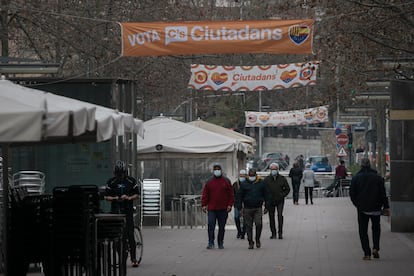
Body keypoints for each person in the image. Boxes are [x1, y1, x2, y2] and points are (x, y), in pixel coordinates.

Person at [349, 158, 390, 260]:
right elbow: (383, 194)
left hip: (362, 208)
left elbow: (352, 193)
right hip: (376, 208)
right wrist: (386, 206)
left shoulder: (356, 178)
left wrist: (357, 204)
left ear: (361, 165)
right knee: (376, 229)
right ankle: (375, 248)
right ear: (370, 165)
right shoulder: (377, 178)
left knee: (363, 231)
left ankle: (367, 253)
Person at [105, 160, 140, 267]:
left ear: (125, 172)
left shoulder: (131, 181)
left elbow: (136, 195)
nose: (120, 176)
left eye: (122, 174)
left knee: (129, 234)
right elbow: (106, 196)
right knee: (116, 236)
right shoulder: (111, 182)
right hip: (115, 212)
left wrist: (129, 197)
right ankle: (121, 257)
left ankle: (134, 258)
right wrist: (115, 198)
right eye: (118, 174)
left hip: (127, 210)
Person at [201, 163, 234, 249]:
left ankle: (220, 242)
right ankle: (210, 242)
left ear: (221, 170)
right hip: (212, 208)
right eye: (215, 169)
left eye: (218, 169)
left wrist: (230, 205)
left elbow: (231, 194)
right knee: (211, 224)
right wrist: (204, 204)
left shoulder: (226, 181)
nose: (217, 171)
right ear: (213, 171)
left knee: (222, 226)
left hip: (223, 208)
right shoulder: (209, 182)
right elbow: (205, 194)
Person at [236, 168, 269, 249]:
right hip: (247, 208)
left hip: (258, 207)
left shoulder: (261, 183)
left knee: (259, 224)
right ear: (248, 175)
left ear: (256, 175)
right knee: (248, 226)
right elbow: (239, 196)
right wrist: (239, 207)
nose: (251, 176)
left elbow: (267, 195)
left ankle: (257, 239)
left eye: (253, 175)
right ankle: (250, 242)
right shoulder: (244, 184)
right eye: (250, 175)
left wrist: (267, 206)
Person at [264, 162, 290, 239]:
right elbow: (264, 190)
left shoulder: (282, 179)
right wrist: (265, 199)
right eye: (272, 169)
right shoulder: (267, 179)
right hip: (270, 201)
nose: (273, 171)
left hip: (280, 200)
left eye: (275, 169)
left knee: (279, 215)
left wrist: (282, 195)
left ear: (278, 170)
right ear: (270, 170)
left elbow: (287, 189)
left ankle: (280, 233)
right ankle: (273, 233)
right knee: (271, 217)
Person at [233, 169, 247, 239]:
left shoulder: (248, 184)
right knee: (236, 217)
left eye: (243, 176)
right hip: (237, 204)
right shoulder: (235, 184)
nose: (242, 177)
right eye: (241, 176)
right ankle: (239, 231)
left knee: (245, 219)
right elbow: (232, 194)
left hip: (246, 204)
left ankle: (243, 232)